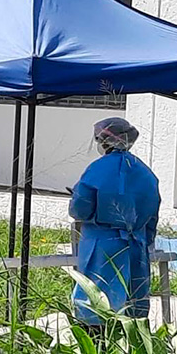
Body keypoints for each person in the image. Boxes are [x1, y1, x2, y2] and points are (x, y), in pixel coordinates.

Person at [69, 117, 160, 328]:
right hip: (135, 246)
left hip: (101, 246)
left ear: (104, 140)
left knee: (95, 303)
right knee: (133, 307)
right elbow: (152, 216)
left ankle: (94, 343)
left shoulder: (96, 170)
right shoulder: (145, 172)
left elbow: (80, 208)